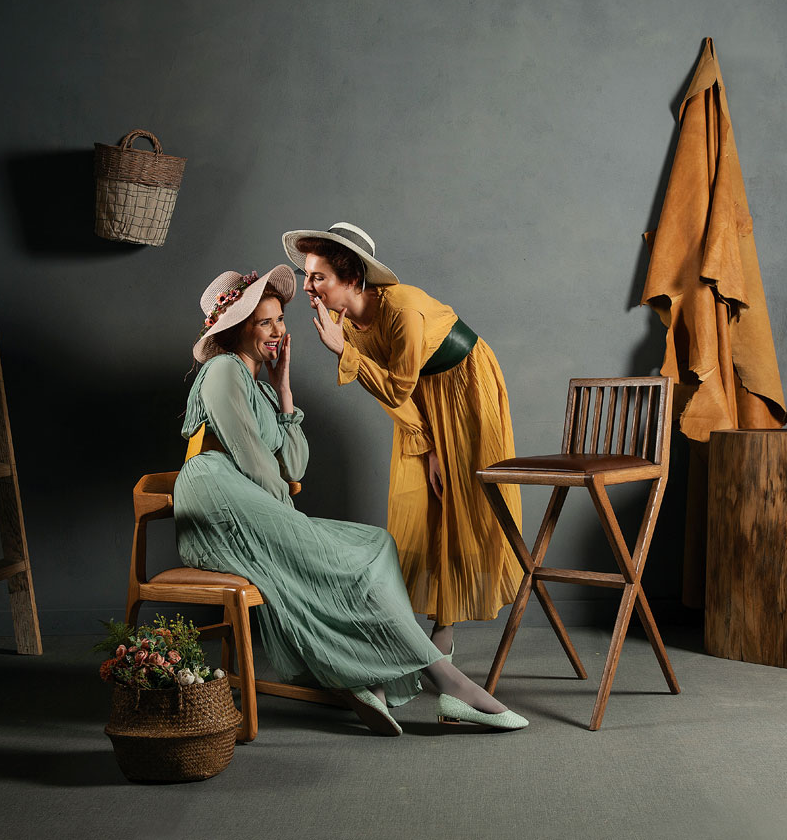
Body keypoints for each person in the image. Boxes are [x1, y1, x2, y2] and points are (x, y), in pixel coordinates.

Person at [174, 264, 526, 734]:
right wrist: (295, 525)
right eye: (264, 323)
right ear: (237, 328)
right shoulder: (222, 372)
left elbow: (293, 465)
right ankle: (450, 683)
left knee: (377, 544)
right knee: (341, 557)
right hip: (215, 501)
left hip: (250, 502)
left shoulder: (260, 388)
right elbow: (256, 466)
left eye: (280, 320)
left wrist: (284, 391)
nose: (278, 332)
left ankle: (368, 678)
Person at [282, 222, 522, 658]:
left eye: (318, 277)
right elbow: (392, 395)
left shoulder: (403, 309)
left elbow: (394, 387)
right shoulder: (343, 321)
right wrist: (427, 445)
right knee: (416, 504)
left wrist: (343, 352)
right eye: (306, 276)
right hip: (418, 401)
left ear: (352, 278)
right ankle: (401, 630)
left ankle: (445, 629)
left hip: (465, 387)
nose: (307, 288)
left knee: (463, 502)